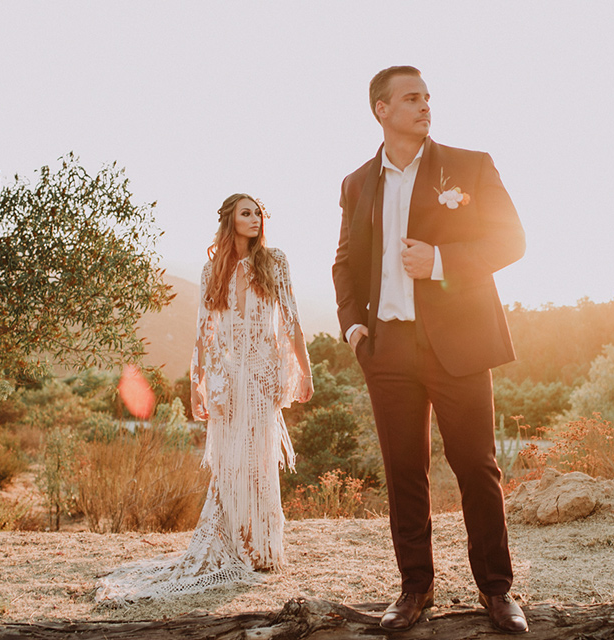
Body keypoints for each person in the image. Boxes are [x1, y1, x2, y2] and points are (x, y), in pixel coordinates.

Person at [332, 66, 529, 633]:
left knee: (476, 467)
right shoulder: (356, 182)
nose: (425, 107)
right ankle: (415, 589)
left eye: (427, 98)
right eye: (411, 98)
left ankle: (497, 591)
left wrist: (441, 261)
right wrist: (353, 326)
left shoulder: (469, 165)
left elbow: (511, 240)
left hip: (458, 345)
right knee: (404, 473)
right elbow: (344, 262)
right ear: (381, 109)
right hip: (386, 348)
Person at [97, 193, 314, 603]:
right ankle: (237, 545)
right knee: (233, 461)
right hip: (227, 378)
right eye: (246, 213)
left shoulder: (276, 261)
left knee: (260, 458)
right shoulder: (212, 267)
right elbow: (203, 334)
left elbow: (292, 321)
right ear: (230, 219)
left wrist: (305, 372)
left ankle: (262, 549)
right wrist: (198, 386)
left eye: (258, 213)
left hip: (263, 375)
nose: (255, 219)